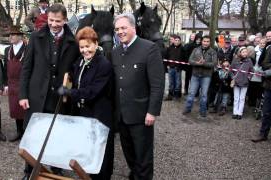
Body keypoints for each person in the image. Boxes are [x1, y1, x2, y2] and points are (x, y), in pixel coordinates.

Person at [19, 4, 80, 179]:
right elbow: (26, 68)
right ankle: (29, 170)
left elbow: (73, 73)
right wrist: (23, 95)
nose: (53, 24)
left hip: (59, 98)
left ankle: (56, 168)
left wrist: (67, 92)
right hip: (36, 95)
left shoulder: (73, 42)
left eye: (58, 21)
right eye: (51, 20)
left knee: (57, 135)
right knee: (33, 136)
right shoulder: (36, 37)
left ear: (65, 20)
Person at [111, 13, 165, 180]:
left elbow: (157, 84)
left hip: (141, 115)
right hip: (122, 116)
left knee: (143, 157)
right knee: (129, 154)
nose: (120, 31)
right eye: (117, 29)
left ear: (133, 28)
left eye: (123, 28)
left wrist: (152, 111)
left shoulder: (149, 48)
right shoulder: (115, 51)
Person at [58, 27, 114, 180]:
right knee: (88, 149)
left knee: (101, 151)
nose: (84, 50)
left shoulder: (103, 65)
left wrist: (70, 93)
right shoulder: (81, 61)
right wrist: (67, 85)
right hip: (85, 113)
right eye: (81, 47)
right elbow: (75, 79)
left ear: (96, 44)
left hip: (99, 114)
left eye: (87, 46)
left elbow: (92, 91)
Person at [182, 35, 218, 118]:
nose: (205, 43)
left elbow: (214, 63)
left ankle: (203, 111)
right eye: (204, 41)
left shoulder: (213, 52)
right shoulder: (196, 50)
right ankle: (188, 108)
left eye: (207, 41)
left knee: (204, 95)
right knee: (191, 94)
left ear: (209, 42)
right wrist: (197, 63)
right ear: (202, 41)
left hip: (206, 76)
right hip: (195, 75)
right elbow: (190, 61)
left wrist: (204, 63)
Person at [3, 26, 27, 142]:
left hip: (24, 84)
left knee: (25, 109)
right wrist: (5, 84)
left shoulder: (28, 49)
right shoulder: (7, 50)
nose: (10, 37)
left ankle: (27, 133)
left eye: (13, 34)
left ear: (20, 36)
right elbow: (5, 68)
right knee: (15, 109)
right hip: (12, 84)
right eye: (9, 35)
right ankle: (19, 132)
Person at [251, 33, 271, 142]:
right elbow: (264, 63)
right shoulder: (269, 48)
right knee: (267, 111)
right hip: (269, 85)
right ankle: (263, 134)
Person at [230, 47, 253, 120]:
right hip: (236, 81)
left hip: (245, 82)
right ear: (240, 52)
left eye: (246, 52)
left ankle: (240, 113)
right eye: (243, 52)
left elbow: (251, 70)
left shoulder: (249, 61)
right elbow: (230, 70)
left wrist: (249, 77)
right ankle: (235, 112)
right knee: (236, 98)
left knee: (242, 98)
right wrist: (233, 77)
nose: (245, 53)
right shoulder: (235, 60)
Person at [164, 35, 185, 100]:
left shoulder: (182, 49)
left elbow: (184, 59)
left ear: (180, 41)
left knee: (178, 83)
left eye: (178, 40)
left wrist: (181, 67)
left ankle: (177, 95)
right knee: (171, 83)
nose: (177, 42)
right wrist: (167, 65)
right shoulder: (169, 48)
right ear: (174, 41)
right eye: (176, 40)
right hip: (171, 68)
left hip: (178, 68)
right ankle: (170, 95)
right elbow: (166, 57)